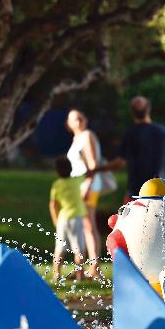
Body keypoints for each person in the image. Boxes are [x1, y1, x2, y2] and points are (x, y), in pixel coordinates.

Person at [94, 96, 165, 201]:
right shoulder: (162, 131)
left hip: (136, 191)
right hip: (160, 190)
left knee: (129, 212)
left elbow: (120, 162)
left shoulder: (130, 133)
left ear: (132, 112)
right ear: (148, 109)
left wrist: (98, 169)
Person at [65, 108, 102, 279]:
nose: (79, 121)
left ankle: (94, 267)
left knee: (88, 225)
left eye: (81, 118)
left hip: (88, 185)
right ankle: (81, 267)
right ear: (68, 123)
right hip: (78, 185)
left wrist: (87, 183)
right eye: (75, 119)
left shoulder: (87, 135)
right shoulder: (77, 138)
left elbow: (93, 163)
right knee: (83, 226)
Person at [49, 158, 88, 282]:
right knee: (79, 249)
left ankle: (56, 274)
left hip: (62, 219)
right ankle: (80, 275)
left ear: (57, 171)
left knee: (60, 248)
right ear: (71, 169)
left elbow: (53, 204)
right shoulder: (77, 181)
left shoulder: (56, 185)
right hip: (76, 218)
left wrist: (55, 220)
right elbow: (88, 174)